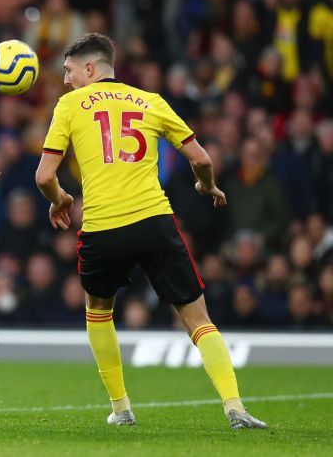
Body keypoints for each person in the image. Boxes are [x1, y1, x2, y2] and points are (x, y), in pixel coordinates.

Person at [34, 33, 266, 429]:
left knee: (99, 313)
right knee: (198, 319)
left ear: (91, 69)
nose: (67, 79)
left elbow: (43, 176)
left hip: (103, 228)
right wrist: (206, 185)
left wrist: (60, 200)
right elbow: (201, 157)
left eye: (70, 71)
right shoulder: (151, 101)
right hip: (154, 222)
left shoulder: (69, 105)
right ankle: (235, 407)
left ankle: (121, 408)